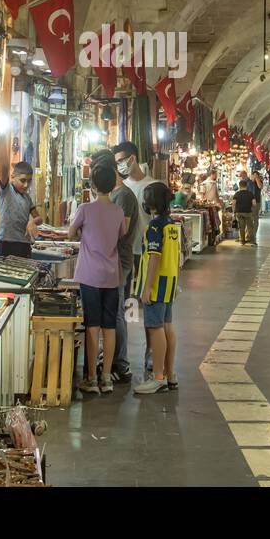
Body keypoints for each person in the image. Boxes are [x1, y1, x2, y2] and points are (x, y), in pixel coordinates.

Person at [70, 161, 128, 394]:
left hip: (90, 275)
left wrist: (83, 231)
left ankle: (91, 378)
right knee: (109, 325)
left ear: (92, 185)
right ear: (113, 184)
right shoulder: (118, 211)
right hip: (112, 276)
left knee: (91, 325)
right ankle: (106, 378)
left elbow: (70, 233)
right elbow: (121, 235)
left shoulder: (85, 209)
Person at [112, 141, 167, 377]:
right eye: (116, 163)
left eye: (121, 160)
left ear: (132, 158)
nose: (119, 166)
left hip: (147, 254)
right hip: (126, 254)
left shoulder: (153, 186)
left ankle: (151, 355)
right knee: (126, 307)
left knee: (149, 306)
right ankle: (120, 356)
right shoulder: (120, 188)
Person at [94, 149, 139, 384]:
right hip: (112, 260)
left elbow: (120, 231)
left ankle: (121, 364)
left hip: (119, 261)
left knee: (118, 313)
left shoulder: (123, 196)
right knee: (114, 311)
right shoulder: (116, 194)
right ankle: (111, 359)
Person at [134, 182, 180, 394]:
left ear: (150, 204)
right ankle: (170, 374)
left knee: (155, 328)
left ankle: (158, 377)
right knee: (167, 327)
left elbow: (154, 258)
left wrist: (146, 288)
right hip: (169, 284)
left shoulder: (154, 227)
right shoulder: (171, 225)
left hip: (156, 286)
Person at [0, 156, 39, 258]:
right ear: (12, 177)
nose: (26, 185)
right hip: (6, 244)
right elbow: (4, 167)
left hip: (24, 245)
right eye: (22, 180)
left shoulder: (27, 198)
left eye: (29, 181)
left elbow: (38, 218)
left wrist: (33, 221)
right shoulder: (6, 190)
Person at [233, 179, 257, 245]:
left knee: (241, 227)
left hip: (239, 212)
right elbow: (254, 203)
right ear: (246, 186)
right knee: (250, 228)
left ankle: (242, 241)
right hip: (248, 212)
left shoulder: (237, 194)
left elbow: (234, 203)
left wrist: (234, 212)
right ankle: (252, 242)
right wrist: (252, 209)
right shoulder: (250, 194)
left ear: (240, 186)